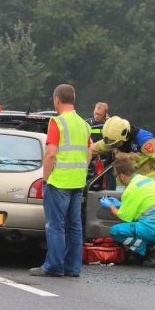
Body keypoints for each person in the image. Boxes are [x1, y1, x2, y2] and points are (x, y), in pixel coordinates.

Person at [30, 84, 91, 277]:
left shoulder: (57, 123)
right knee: (74, 225)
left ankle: (54, 266)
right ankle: (73, 268)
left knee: (55, 225)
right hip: (78, 181)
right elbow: (89, 154)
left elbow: (50, 154)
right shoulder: (84, 124)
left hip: (59, 182)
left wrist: (46, 178)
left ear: (57, 100)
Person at [100, 157, 155, 267]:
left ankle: (151, 250)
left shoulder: (131, 189)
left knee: (116, 231)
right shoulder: (147, 180)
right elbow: (143, 206)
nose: (116, 178)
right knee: (137, 225)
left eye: (116, 175)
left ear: (122, 175)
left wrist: (110, 206)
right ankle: (143, 253)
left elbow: (122, 218)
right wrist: (120, 204)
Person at [91, 116, 155, 190]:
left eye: (115, 143)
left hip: (151, 184)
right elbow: (95, 148)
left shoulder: (143, 141)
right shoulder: (114, 139)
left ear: (124, 137)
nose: (113, 145)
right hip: (134, 184)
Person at [86, 103, 111, 185]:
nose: (96, 116)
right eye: (95, 113)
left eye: (99, 115)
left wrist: (110, 122)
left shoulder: (109, 125)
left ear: (105, 115)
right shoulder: (87, 123)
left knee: (110, 181)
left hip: (107, 160)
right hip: (91, 159)